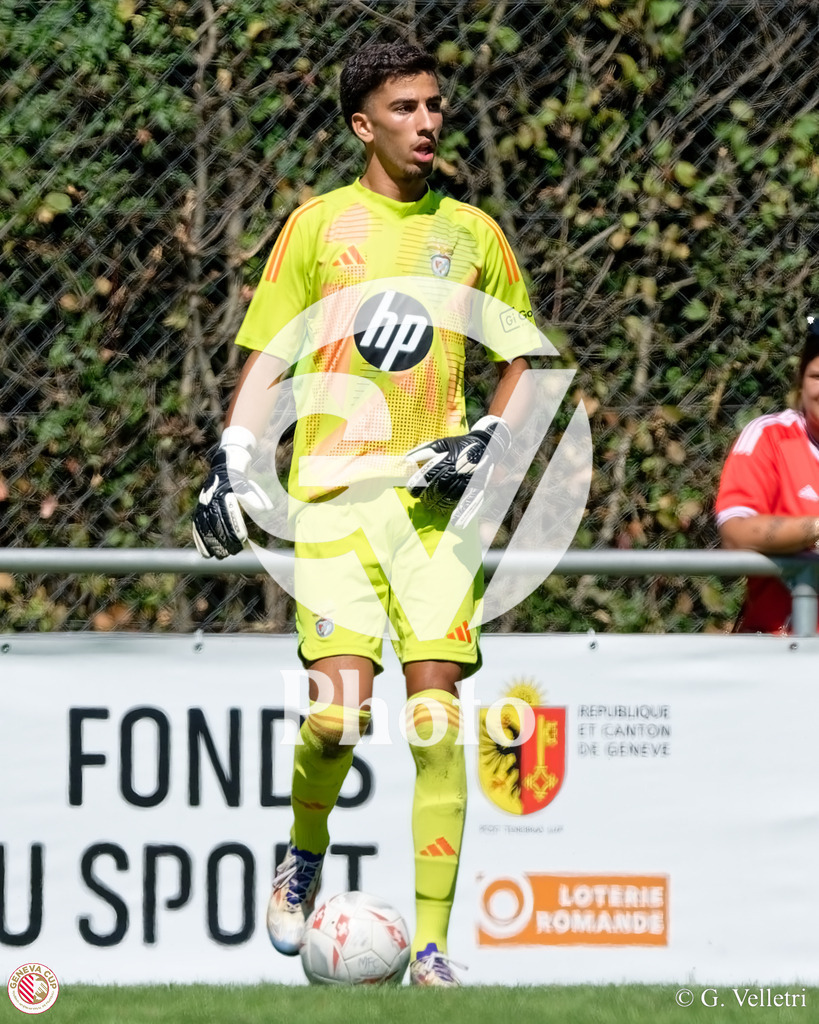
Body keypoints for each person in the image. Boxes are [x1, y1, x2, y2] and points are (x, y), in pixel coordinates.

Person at [192, 41, 539, 985]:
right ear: (362, 124)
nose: (427, 122)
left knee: (434, 721)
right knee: (335, 722)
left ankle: (429, 949)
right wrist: (232, 456)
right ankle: (305, 847)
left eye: (434, 105)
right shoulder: (316, 226)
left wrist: (488, 442)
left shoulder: (470, 231)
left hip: (432, 519)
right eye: (405, 108)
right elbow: (267, 354)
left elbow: (522, 358)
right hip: (335, 506)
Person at [715, 315, 819, 633]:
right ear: (800, 381)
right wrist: (815, 529)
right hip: (779, 653)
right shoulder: (771, 438)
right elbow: (735, 532)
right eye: (817, 376)